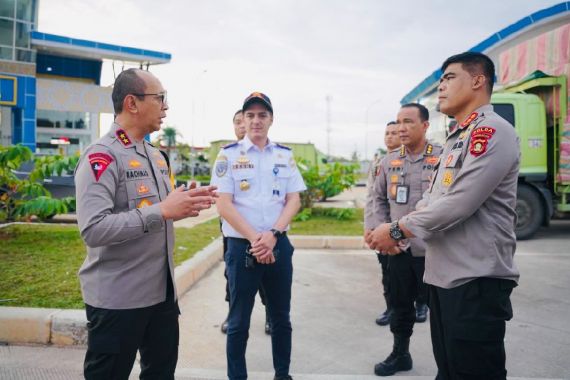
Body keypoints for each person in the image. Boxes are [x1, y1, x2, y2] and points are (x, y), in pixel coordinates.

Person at [366, 52, 520, 379]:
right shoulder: (457, 137)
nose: (441, 87)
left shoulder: (491, 132)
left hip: (475, 279)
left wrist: (396, 230)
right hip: (446, 276)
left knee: (474, 371)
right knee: (449, 370)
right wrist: (395, 228)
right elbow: (433, 201)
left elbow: (460, 203)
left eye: (449, 78)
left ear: (478, 80)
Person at [74, 68, 217, 380]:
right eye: (160, 98)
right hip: (118, 300)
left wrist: (183, 202)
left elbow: (158, 210)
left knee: (160, 373)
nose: (165, 107)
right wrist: (163, 211)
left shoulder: (155, 156)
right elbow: (93, 229)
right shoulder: (102, 157)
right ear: (132, 103)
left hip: (161, 293)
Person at [211, 92, 306, 380]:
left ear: (271, 119)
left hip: (279, 245)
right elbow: (223, 203)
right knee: (239, 321)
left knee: (280, 318)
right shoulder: (228, 155)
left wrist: (274, 234)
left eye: (262, 115)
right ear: (244, 119)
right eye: (250, 115)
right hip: (242, 248)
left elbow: (294, 200)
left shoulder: (284, 155)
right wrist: (256, 238)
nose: (256, 120)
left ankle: (283, 374)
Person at [366, 104, 442, 376]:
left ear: (425, 125)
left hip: (434, 252)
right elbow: (377, 199)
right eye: (398, 122)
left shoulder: (442, 158)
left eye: (408, 122)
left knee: (443, 314)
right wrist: (381, 233)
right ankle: (400, 354)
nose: (400, 128)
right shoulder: (388, 161)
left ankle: (446, 365)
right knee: (399, 308)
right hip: (399, 251)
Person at [221, 109, 271, 335]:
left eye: (247, 120)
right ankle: (233, 315)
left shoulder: (268, 155)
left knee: (267, 278)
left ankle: (271, 314)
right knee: (233, 276)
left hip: (264, 233)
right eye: (239, 122)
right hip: (235, 234)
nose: (244, 125)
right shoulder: (227, 155)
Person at [364, 121, 400, 326]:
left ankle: (422, 303)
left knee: (415, 272)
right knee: (387, 272)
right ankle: (390, 308)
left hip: (403, 227)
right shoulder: (378, 162)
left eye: (394, 133)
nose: (390, 137)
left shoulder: (409, 160)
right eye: (387, 133)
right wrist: (368, 227)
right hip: (380, 228)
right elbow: (371, 197)